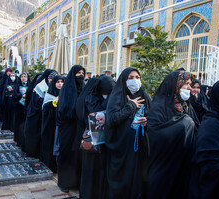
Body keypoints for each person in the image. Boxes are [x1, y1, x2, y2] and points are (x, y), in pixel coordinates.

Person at [146, 69, 198, 199]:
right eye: (186, 83)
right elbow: (156, 135)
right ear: (175, 85)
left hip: (182, 164)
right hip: (164, 167)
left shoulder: (186, 106)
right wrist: (183, 124)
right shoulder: (160, 105)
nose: (189, 88)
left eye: (190, 84)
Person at [105, 67, 151, 199]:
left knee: (137, 180)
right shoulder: (117, 96)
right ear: (124, 80)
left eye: (137, 77)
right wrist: (130, 106)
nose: (135, 80)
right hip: (121, 148)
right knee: (122, 181)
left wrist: (147, 121)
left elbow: (154, 118)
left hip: (139, 149)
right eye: (131, 78)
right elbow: (112, 120)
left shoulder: (145, 97)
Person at [76, 75, 115, 199]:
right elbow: (95, 114)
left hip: (106, 142)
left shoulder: (112, 97)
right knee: (91, 171)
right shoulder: (91, 98)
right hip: (93, 142)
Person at [56, 65, 85, 193]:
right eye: (78, 73)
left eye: (82, 73)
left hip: (80, 127)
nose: (81, 75)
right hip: (68, 127)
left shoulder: (84, 89)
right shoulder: (66, 90)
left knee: (78, 155)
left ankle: (76, 181)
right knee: (66, 153)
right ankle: (64, 182)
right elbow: (62, 109)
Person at [24, 69, 58, 158]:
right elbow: (35, 103)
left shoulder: (54, 88)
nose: (53, 80)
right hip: (36, 116)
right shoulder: (40, 88)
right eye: (51, 78)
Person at [41, 75, 64, 172]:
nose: (60, 84)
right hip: (51, 124)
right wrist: (54, 103)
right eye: (57, 82)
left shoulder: (65, 93)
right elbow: (45, 109)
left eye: (61, 82)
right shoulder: (49, 94)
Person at [12, 72, 30, 148]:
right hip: (19, 106)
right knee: (18, 122)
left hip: (26, 106)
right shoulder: (18, 84)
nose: (23, 78)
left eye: (25, 76)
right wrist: (21, 95)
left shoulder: (29, 85)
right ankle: (17, 138)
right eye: (22, 76)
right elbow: (15, 94)